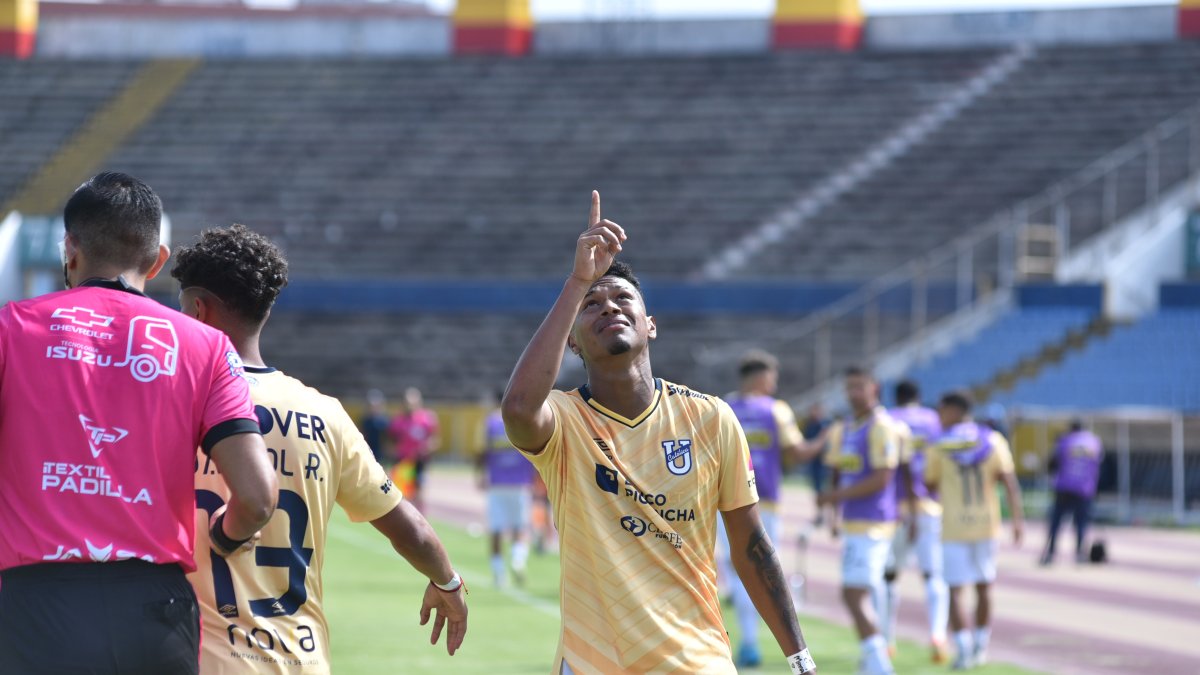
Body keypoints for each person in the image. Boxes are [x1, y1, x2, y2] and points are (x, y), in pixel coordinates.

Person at [501, 192, 816, 674]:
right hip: (592, 663)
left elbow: (753, 548)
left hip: (697, 660)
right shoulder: (564, 421)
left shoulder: (711, 417)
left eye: (623, 298)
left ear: (650, 325)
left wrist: (801, 661)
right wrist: (577, 282)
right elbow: (519, 409)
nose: (609, 307)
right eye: (592, 305)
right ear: (572, 340)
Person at [0, 172, 277, 673]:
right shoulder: (208, 346)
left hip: (35, 608)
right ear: (157, 260)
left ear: (70, 249)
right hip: (156, 612)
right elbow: (258, 498)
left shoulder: (10, 328)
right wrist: (224, 537)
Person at [173, 224, 468, 673]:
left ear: (197, 309)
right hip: (302, 659)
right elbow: (411, 530)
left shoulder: (176, 400)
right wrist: (448, 583)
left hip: (205, 660)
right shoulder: (324, 413)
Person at [721, 349, 826, 667]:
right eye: (772, 378)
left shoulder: (723, 406)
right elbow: (798, 452)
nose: (774, 385)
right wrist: (827, 436)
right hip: (762, 500)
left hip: (724, 501)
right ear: (761, 377)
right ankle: (760, 644)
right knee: (761, 570)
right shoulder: (776, 410)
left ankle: (747, 641)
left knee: (735, 570)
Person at [925, 391, 1024, 670]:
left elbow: (929, 483)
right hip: (986, 525)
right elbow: (1008, 481)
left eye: (942, 410)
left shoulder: (939, 444)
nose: (939, 416)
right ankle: (981, 644)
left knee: (955, 590)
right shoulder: (992, 439)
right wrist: (1017, 520)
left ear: (954, 410)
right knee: (984, 585)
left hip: (954, 526)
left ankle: (964, 648)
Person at [817, 367, 900, 675]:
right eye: (849, 387)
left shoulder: (881, 426)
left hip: (873, 523)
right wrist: (833, 512)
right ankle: (873, 661)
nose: (853, 393)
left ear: (874, 388)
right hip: (855, 522)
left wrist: (834, 497)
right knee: (867, 593)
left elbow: (882, 478)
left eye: (859, 387)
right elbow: (838, 472)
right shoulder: (848, 427)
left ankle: (880, 665)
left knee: (853, 593)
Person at [882, 380, 948, 663]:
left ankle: (887, 640)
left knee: (889, 576)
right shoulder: (933, 420)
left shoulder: (889, 419)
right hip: (929, 506)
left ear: (896, 397)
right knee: (932, 574)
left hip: (896, 508)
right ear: (918, 397)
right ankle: (937, 635)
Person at [476, 391, 535, 587]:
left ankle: (498, 573)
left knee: (496, 530)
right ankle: (518, 560)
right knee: (521, 527)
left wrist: (479, 474)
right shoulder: (523, 421)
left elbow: (482, 451)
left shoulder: (489, 423)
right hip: (520, 482)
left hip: (497, 483)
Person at [1040, 420, 1103, 566]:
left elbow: (1053, 463)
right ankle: (1079, 554)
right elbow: (1099, 465)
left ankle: (1050, 553)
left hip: (1064, 487)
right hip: (1084, 488)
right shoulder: (1094, 442)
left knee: (1056, 523)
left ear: (1071, 428)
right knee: (1081, 523)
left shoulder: (1065, 441)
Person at [390, 387, 440, 512]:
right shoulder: (398, 421)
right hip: (403, 462)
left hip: (420, 462)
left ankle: (420, 517)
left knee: (419, 492)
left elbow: (435, 440)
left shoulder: (427, 418)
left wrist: (427, 448)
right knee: (402, 493)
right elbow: (391, 440)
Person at [801, 403, 832, 525]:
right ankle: (819, 514)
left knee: (826, 490)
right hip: (814, 463)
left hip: (824, 464)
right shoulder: (810, 425)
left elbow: (827, 444)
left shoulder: (824, 425)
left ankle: (828, 516)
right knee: (817, 490)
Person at [359, 389, 391, 464]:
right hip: (368, 453)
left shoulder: (384, 421)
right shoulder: (365, 421)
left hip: (381, 454)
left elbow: (387, 440)